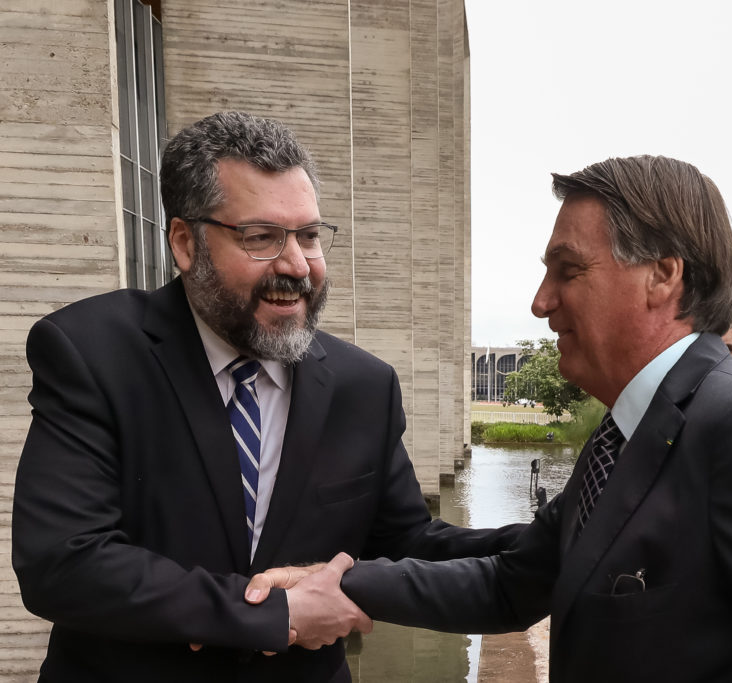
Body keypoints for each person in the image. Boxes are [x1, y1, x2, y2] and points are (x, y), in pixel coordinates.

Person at [249, 155, 732, 682]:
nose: (540, 301)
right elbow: (510, 581)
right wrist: (335, 580)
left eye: (567, 269)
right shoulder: (624, 437)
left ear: (662, 276)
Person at [12, 111, 521, 682]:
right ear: (185, 243)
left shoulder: (364, 386)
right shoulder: (91, 353)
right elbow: (64, 563)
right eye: (261, 238)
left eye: (308, 235)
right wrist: (272, 614)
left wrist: (566, 535)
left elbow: (407, 544)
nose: (297, 265)